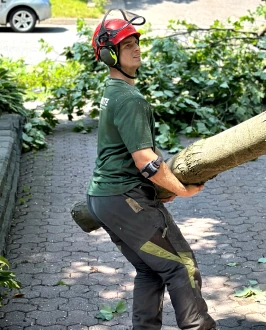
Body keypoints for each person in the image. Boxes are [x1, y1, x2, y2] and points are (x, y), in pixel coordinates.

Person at [86, 9, 216, 330]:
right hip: (127, 202)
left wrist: (164, 184)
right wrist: (181, 189)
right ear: (108, 54)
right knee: (180, 265)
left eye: (136, 41)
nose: (136, 47)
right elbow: (145, 160)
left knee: (150, 269)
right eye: (126, 44)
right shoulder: (130, 99)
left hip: (106, 202)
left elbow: (142, 151)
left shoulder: (113, 92)